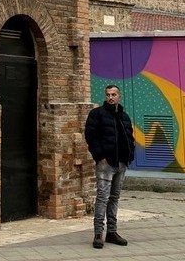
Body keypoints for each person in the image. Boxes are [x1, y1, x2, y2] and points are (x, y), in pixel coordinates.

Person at [84, 84, 135, 249]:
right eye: (108, 95)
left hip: (121, 163)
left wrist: (130, 156)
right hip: (106, 164)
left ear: (119, 96)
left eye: (113, 94)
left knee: (114, 198)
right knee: (102, 198)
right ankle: (98, 233)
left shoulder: (124, 116)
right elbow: (90, 136)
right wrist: (100, 157)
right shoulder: (97, 114)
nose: (110, 97)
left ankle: (112, 232)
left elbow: (130, 137)